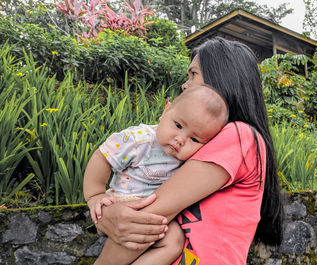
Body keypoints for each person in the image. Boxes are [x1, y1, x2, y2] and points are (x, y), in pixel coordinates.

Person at [95, 37, 284, 265]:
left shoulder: (240, 135)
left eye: (193, 74)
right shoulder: (198, 144)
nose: (185, 85)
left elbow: (148, 216)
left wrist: (106, 215)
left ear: (222, 77)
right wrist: (106, 214)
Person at [83, 84, 228, 265]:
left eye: (194, 139)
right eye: (178, 125)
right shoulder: (139, 140)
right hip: (125, 201)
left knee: (174, 242)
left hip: (156, 213)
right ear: (166, 111)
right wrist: (95, 194)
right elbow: (103, 156)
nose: (180, 139)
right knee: (139, 233)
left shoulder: (190, 160)